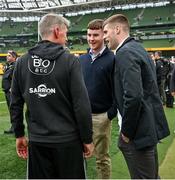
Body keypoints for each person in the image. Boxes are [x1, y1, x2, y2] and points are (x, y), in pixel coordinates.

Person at [10, 13, 94, 179]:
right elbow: (81, 104)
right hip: (68, 142)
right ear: (57, 31)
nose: (67, 38)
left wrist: (19, 134)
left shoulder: (21, 62)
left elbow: (15, 103)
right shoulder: (70, 61)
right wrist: (87, 138)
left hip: (38, 141)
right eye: (66, 32)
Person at [103, 14, 170, 179]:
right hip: (147, 126)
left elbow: (134, 95)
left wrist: (126, 131)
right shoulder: (138, 47)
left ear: (117, 29)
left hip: (138, 132)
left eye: (105, 32)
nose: (104, 37)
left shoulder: (125, 53)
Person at [79, 19, 117, 179]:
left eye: (96, 35)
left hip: (101, 116)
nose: (91, 38)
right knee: (78, 156)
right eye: (89, 35)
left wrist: (109, 114)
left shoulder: (113, 59)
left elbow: (118, 90)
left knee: (102, 158)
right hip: (81, 117)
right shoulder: (81, 59)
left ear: (104, 35)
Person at [2, 50, 18, 134]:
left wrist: (12, 87)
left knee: (13, 109)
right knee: (11, 109)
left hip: (11, 92)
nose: (7, 57)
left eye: (9, 55)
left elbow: (16, 78)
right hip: (7, 91)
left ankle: (15, 127)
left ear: (14, 57)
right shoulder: (9, 66)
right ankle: (14, 126)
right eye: (7, 55)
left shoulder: (15, 65)